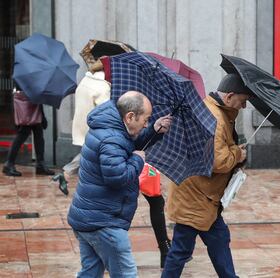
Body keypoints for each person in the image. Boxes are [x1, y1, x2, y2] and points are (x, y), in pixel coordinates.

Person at [67, 91, 171, 277]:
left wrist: (154, 130)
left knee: (90, 273)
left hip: (87, 217)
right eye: (146, 119)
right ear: (130, 116)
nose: (146, 123)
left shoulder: (111, 126)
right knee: (126, 274)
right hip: (104, 223)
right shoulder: (112, 139)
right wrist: (138, 160)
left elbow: (128, 144)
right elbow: (117, 177)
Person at [162, 73, 250, 278]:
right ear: (229, 97)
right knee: (181, 250)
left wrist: (234, 150)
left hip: (203, 195)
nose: (243, 106)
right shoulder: (216, 119)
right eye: (242, 101)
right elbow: (218, 162)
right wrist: (238, 153)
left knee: (218, 239)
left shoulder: (215, 112)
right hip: (195, 196)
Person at [52, 59, 110, 195]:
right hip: (95, 126)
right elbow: (106, 110)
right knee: (94, 152)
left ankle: (65, 174)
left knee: (90, 152)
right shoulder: (103, 86)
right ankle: (68, 174)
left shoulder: (86, 80)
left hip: (82, 123)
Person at [2, 86, 54, 177]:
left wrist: (42, 114)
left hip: (33, 106)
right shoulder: (25, 77)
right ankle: (8, 164)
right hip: (26, 106)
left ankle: (40, 164)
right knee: (22, 134)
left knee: (39, 136)